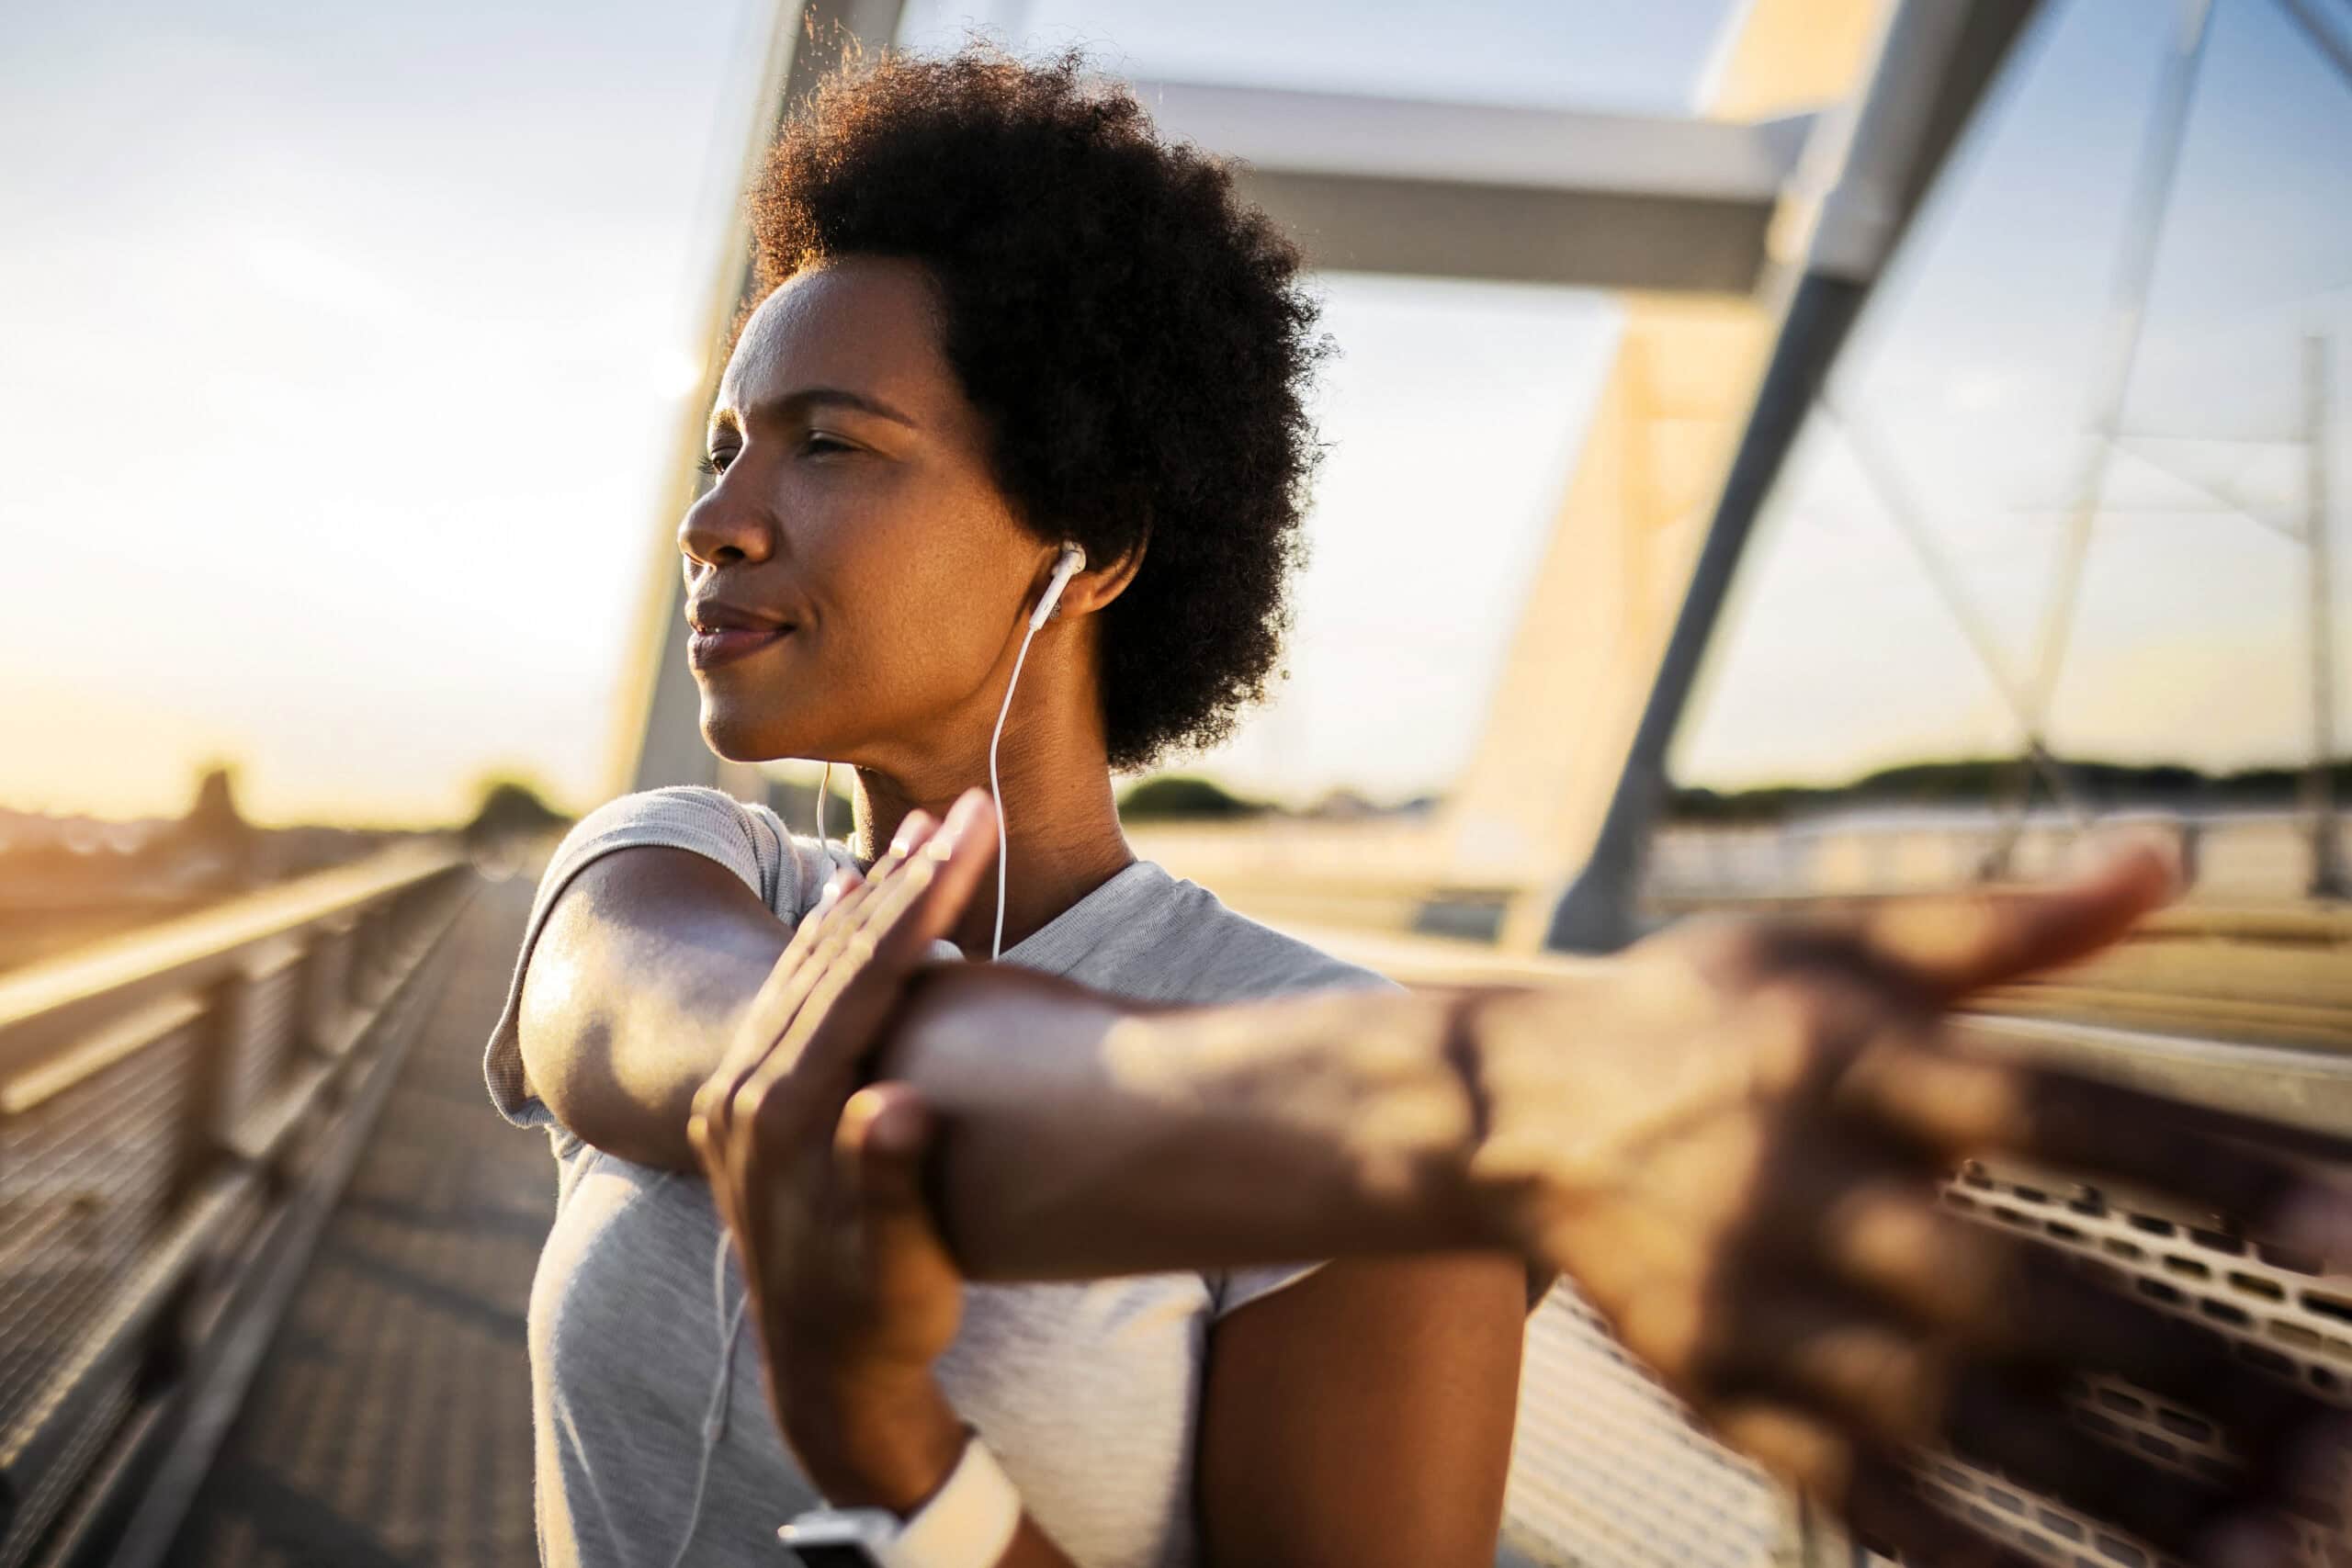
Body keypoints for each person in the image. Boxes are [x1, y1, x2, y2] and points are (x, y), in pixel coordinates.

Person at [492, 46, 2349, 1568]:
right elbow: (768, 1056)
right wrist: (1496, 1105)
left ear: (1091, 544)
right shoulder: (665, 873)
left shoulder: (1336, 1069)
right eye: (726, 441)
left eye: (830, 442)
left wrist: (907, 1455)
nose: (715, 512)